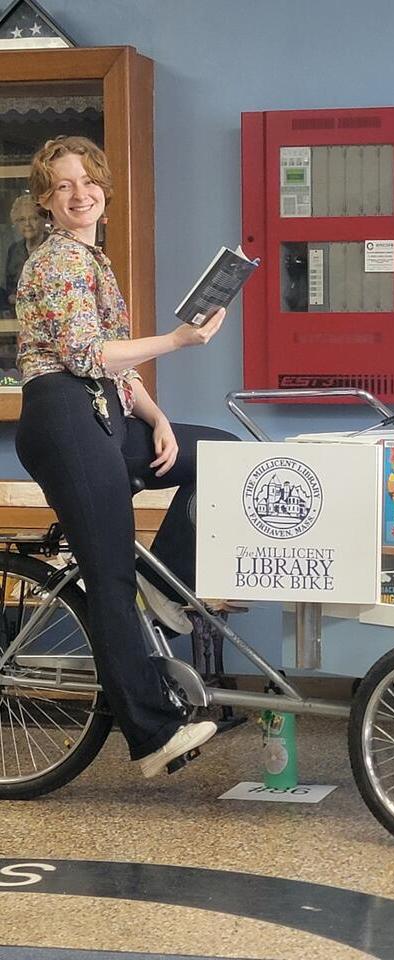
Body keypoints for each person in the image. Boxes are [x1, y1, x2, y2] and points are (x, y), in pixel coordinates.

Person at [14, 135, 237, 779]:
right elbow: (87, 357)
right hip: (62, 417)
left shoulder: (96, 261)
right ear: (46, 201)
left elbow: (117, 363)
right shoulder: (56, 261)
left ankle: (166, 578)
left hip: (104, 413)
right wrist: (178, 339)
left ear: (105, 193)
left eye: (88, 181)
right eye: (63, 185)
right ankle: (151, 732)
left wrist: (158, 417)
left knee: (222, 457)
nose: (79, 193)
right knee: (106, 574)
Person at [5, 193, 47, 308]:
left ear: (43, 221)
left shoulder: (54, 247)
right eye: (22, 219)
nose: (27, 224)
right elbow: (10, 290)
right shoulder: (14, 250)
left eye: (34, 218)